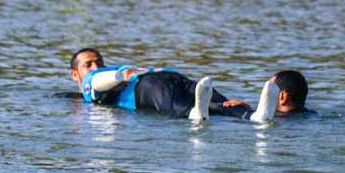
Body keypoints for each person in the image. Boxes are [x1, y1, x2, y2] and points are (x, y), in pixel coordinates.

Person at [68, 48, 278, 122]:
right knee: (188, 105)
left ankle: (254, 115)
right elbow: (97, 83)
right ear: (75, 74)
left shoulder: (100, 76)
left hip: (166, 79)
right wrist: (120, 76)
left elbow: (102, 81)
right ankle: (198, 113)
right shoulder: (90, 84)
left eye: (99, 62)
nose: (96, 66)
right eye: (88, 64)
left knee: (223, 103)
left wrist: (121, 75)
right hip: (151, 85)